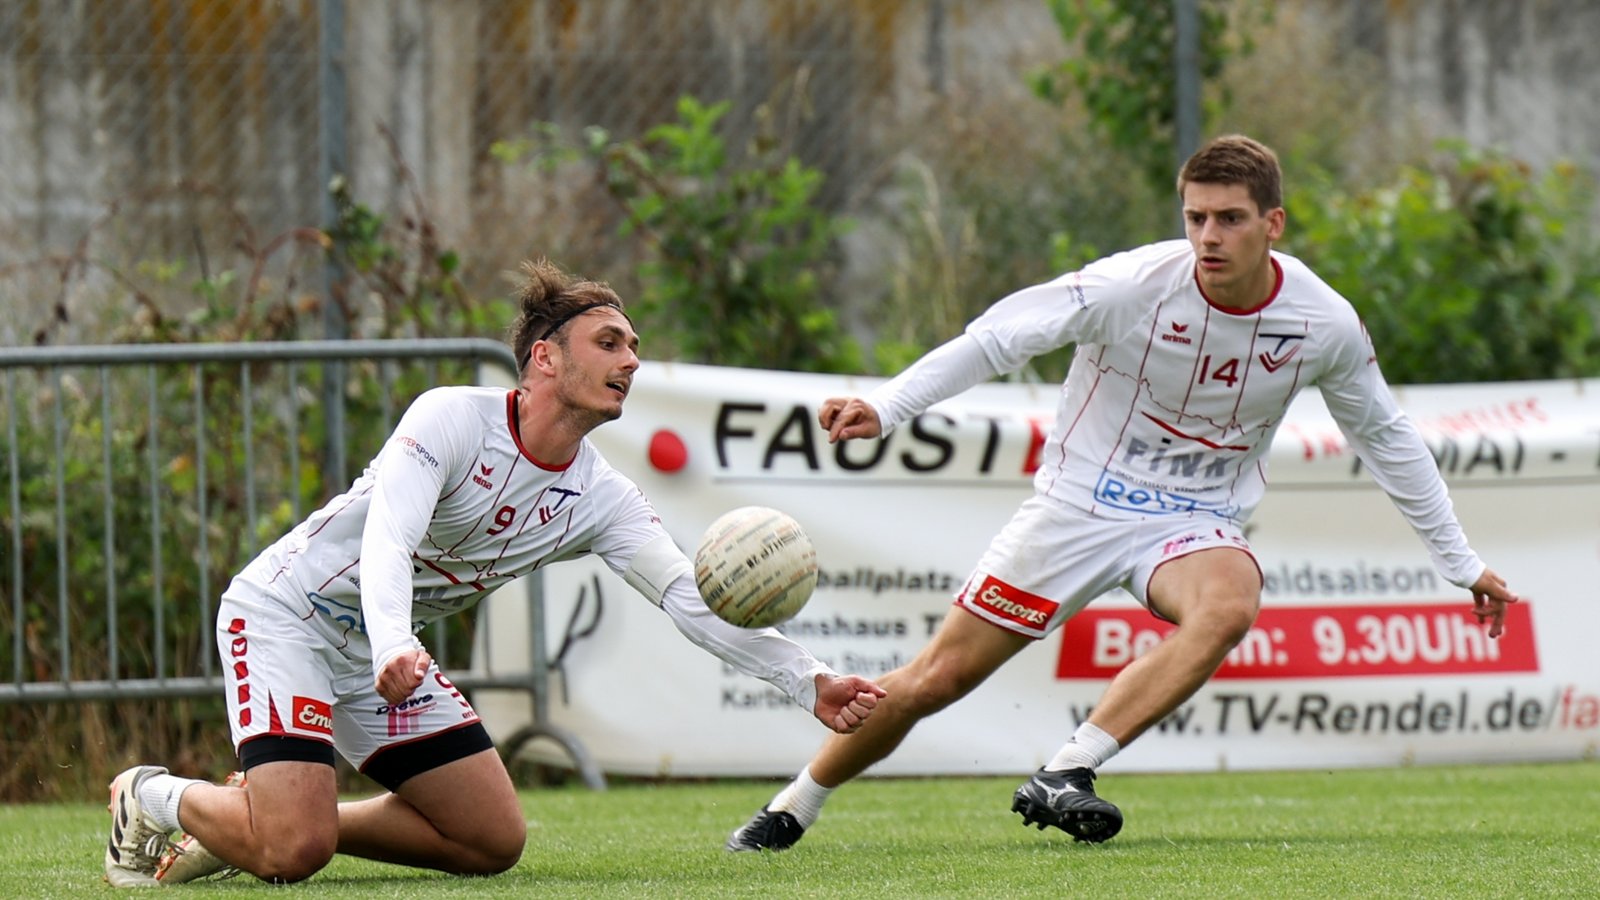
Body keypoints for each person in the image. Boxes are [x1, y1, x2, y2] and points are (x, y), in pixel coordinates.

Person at [725, 134, 1522, 852]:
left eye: (1230, 219)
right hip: (1078, 505)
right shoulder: (1130, 287)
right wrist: (888, 405)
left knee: (1228, 604)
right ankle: (794, 806)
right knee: (936, 680)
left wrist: (1461, 563)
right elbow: (996, 340)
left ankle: (1068, 769)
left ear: (1273, 224)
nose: (1209, 237)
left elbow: (1386, 436)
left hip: (1195, 520)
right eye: (1196, 217)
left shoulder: (1324, 324)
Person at [102, 259, 887, 887]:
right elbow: (390, 538)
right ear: (545, 357)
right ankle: (152, 795)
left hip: (379, 651)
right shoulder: (450, 417)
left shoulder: (602, 497)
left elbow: (688, 598)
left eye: (634, 346)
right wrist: (393, 643)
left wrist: (809, 680)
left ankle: (262, 815)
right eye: (610, 342)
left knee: (489, 839)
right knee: (292, 854)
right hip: (288, 618)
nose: (631, 360)